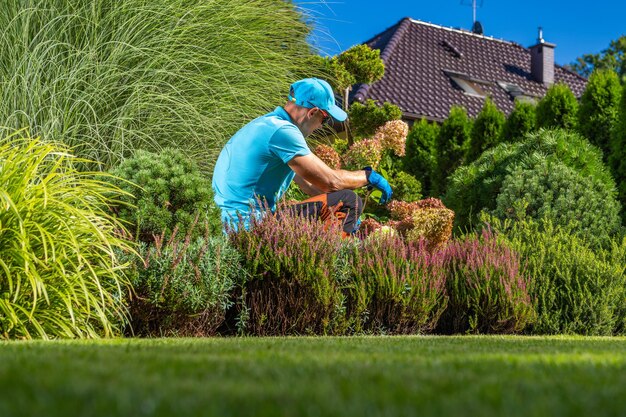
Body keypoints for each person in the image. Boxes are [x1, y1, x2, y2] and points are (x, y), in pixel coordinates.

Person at [212, 77, 392, 236]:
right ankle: (337, 263)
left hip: (223, 223)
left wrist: (347, 215)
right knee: (349, 199)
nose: (322, 126)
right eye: (325, 119)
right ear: (312, 112)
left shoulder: (266, 124)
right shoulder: (283, 132)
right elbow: (331, 181)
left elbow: (310, 186)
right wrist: (368, 176)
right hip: (246, 227)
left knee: (343, 201)